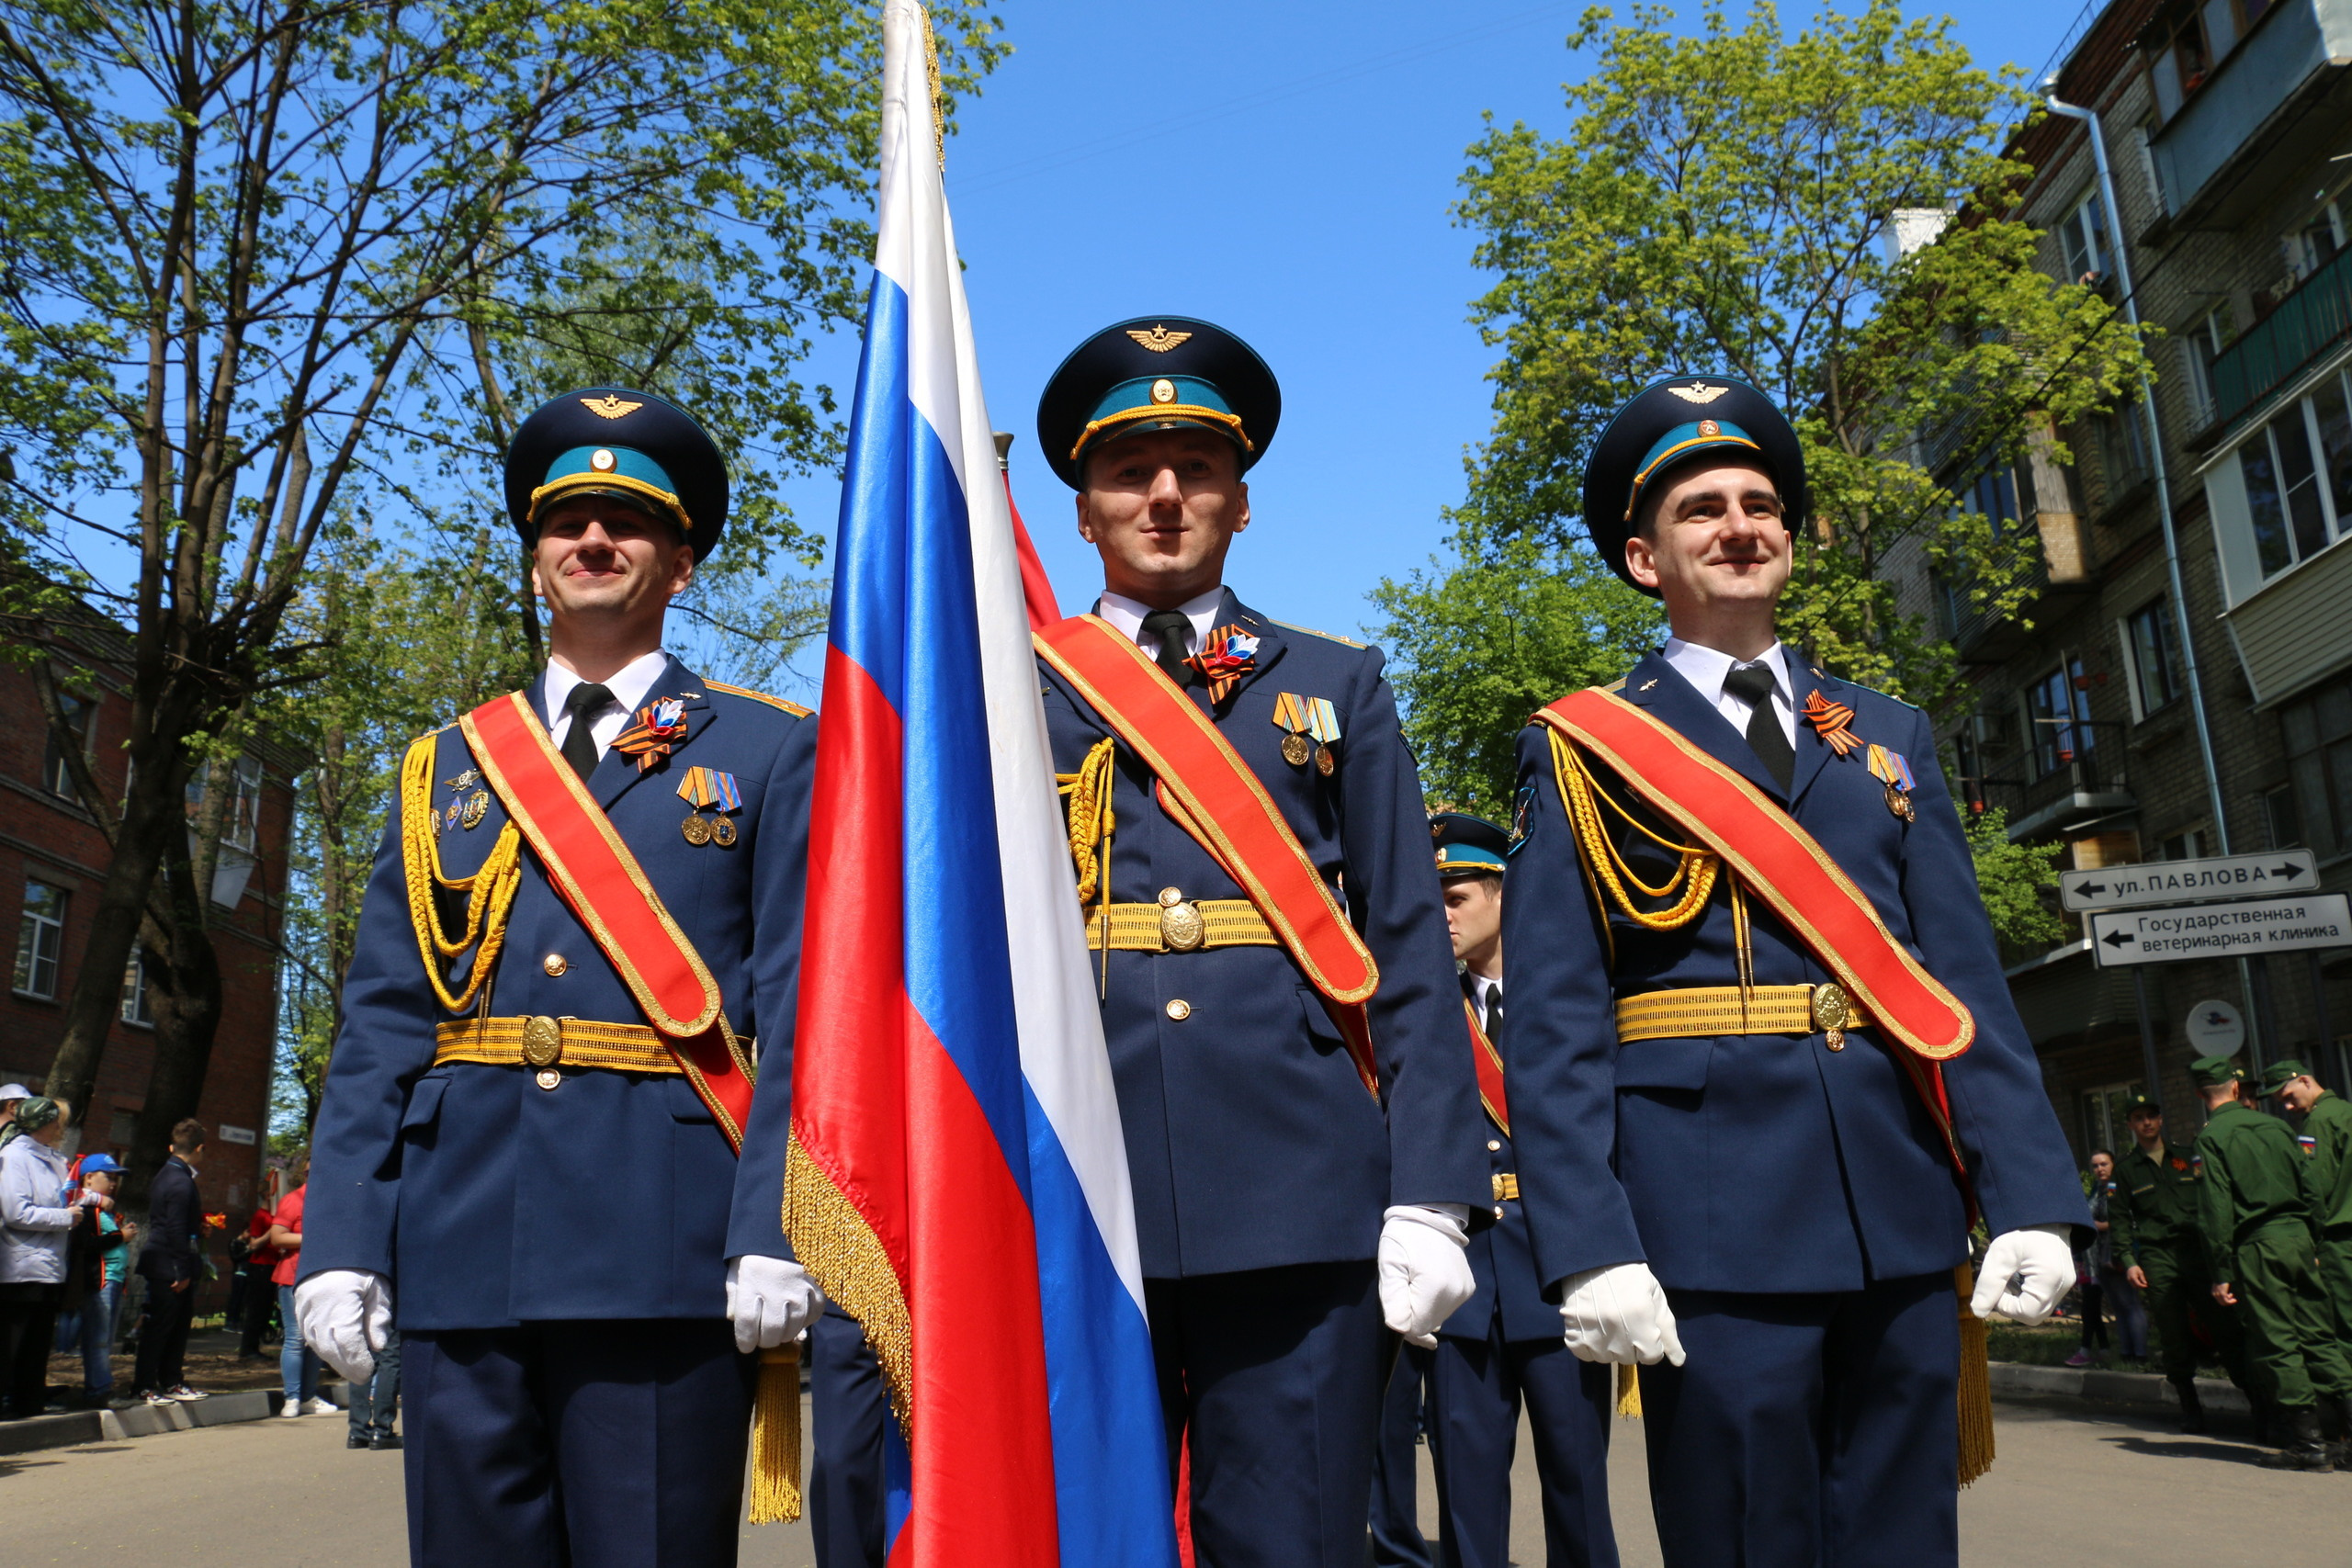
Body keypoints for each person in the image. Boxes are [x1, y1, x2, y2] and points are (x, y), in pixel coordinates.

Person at [1498, 377, 2089, 1568]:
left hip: (1898, 1202)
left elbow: (1961, 985)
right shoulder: (1584, 747)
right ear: (1640, 555)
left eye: (1761, 502)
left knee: (1903, 1538)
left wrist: (2033, 1193)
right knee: (1746, 1538)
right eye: (1702, 508)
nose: (1740, 524)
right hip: (1708, 1212)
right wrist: (1588, 1238)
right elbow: (1557, 1026)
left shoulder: (1887, 732)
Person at [297, 388, 820, 1568]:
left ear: (681, 564)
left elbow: (794, 1009)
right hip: (460, 1239)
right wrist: (340, 1237)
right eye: (567, 521)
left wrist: (776, 1224)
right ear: (537, 558)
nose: (593, 541)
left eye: (627, 523)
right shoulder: (447, 765)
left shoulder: (770, 747)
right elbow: (382, 1021)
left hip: (665, 1242)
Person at [1026, 318, 1487, 1567]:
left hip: (1300, 1187)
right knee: (1083, 1539)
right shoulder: (1011, 685)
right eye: (1129, 469)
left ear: (1241, 501)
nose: (1165, 494)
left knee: (1289, 1540)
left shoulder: (1336, 682)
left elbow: (1407, 943)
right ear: (1082, 511)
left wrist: (1433, 1190)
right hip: (1075, 1174)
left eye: (1197, 469)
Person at [1422, 812, 1616, 1568]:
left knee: (1580, 1491)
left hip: (1557, 1270)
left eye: (1457, 894)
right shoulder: (1421, 1008)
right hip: (1464, 1288)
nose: (1441, 910)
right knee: (1467, 1504)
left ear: (1503, 894)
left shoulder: (1568, 999)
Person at [2192, 1055, 2352, 1472]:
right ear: (2236, 1087)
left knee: (2278, 1340)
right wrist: (2312, 1237)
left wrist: (2221, 1271)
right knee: (2320, 1334)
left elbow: (2215, 1210)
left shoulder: (2212, 1138)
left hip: (2258, 1245)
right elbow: (2312, 1191)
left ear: (2200, 1094)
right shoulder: (2279, 1126)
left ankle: (2309, 1444)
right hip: (2299, 1238)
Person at [2108, 1092, 2240, 1431]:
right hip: (2157, 1256)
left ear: (2161, 1119)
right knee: (2173, 1331)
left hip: (2197, 1251)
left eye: (2151, 1115)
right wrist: (2129, 1260)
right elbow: (2120, 1218)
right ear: (2130, 1125)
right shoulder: (2126, 1171)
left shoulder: (2188, 1156)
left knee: (2224, 1324)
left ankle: (2257, 1400)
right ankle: (2190, 1408)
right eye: (2139, 1118)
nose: (2147, 1122)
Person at [1, 1097, 102, 1418]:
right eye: (58, 1120)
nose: (62, 1127)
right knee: (13, 1342)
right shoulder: (14, 1157)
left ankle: (28, 1404)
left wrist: (93, 1199)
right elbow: (16, 1212)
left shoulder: (55, 1159)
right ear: (45, 1123)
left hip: (50, 1266)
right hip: (22, 1266)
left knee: (37, 1342)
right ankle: (7, 1402)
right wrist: (65, 1218)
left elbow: (66, 1193)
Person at [2261, 1058, 2352, 1357]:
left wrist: (2308, 1241)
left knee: (2346, 1325)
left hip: (2338, 1240)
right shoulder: (2346, 1112)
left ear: (2304, 1081)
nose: (2288, 1108)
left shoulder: (2318, 1122)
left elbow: (2316, 1189)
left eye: (2288, 1098)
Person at [133, 1118, 209, 1404]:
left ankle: (170, 1380)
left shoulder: (168, 1174)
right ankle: (145, 1385)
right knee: (163, 1327)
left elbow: (174, 1221)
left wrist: (197, 1226)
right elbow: (174, 1229)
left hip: (166, 1260)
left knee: (174, 1326)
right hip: (170, 1265)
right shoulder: (180, 1181)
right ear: (200, 1148)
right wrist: (182, 1269)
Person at [59, 1152, 131, 1406]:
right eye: (108, 1177)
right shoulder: (85, 1210)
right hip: (99, 1281)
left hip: (112, 1281)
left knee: (106, 1339)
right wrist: (119, 1237)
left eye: (115, 1179)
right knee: (98, 1339)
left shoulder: (103, 1209)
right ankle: (98, 1391)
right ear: (88, 1178)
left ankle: (100, 1388)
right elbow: (86, 1245)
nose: (113, 1183)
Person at [267, 1159, 325, 1417]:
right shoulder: (293, 1200)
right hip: (292, 1277)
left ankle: (308, 1397)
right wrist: (313, 1237)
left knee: (315, 1340)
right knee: (296, 1338)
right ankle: (292, 1397)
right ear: (307, 1174)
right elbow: (277, 1237)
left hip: (320, 1278)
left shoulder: (328, 1201)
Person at [2077, 1150, 2147, 1364]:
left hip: (2119, 1254)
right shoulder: (2098, 1190)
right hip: (2098, 1258)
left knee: (2130, 1304)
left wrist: (2102, 1226)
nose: (2100, 1169)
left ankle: (2141, 1354)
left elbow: (2131, 1219)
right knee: (2118, 1306)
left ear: (2113, 1164)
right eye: (2095, 1166)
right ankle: (2127, 1353)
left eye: (2104, 1164)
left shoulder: (2120, 1186)